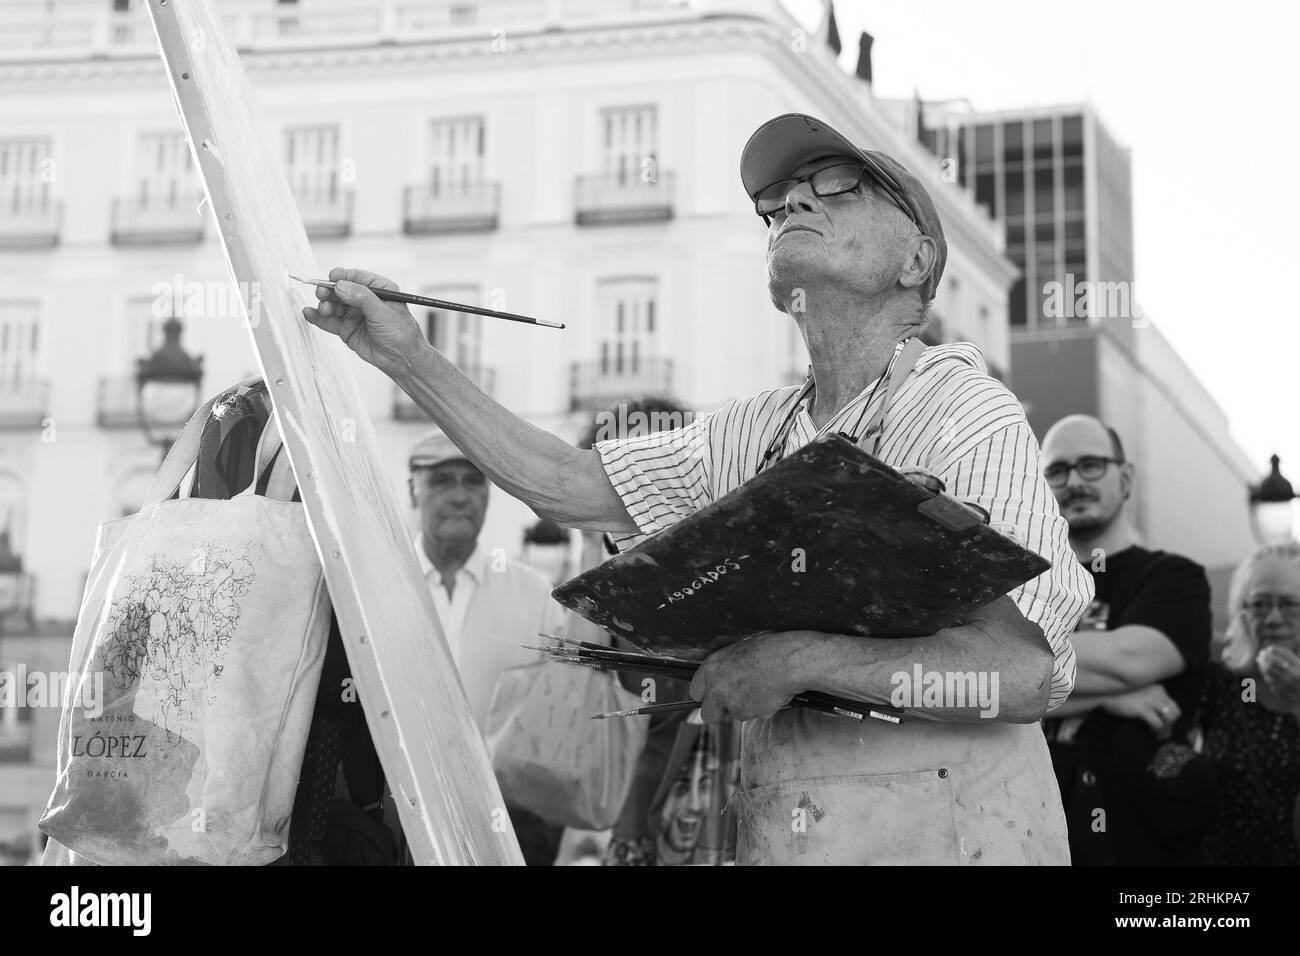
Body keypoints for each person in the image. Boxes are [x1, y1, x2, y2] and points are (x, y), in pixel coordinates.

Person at [302, 112, 1093, 864]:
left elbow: (1024, 674)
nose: (796, 201)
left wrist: (793, 660)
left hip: (964, 838)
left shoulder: (957, 402)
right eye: (779, 200)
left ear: (916, 261)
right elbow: (570, 484)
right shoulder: (756, 431)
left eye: (838, 182)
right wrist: (405, 356)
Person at [1038, 415, 1216, 864]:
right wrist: (1110, 698)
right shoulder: (1022, 589)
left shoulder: (1174, 578)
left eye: (1091, 465)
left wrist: (1029, 686)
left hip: (1148, 846)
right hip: (1032, 838)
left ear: (1126, 477)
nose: (1074, 481)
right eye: (1057, 471)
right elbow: (987, 684)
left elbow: (1127, 661)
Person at [406, 429, 567, 865]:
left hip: (508, 825)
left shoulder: (536, 596)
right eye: (442, 481)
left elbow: (561, 714)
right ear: (412, 489)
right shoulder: (381, 586)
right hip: (396, 818)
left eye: (473, 480)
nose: (460, 495)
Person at [1200, 542, 1300, 865]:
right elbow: (1169, 758)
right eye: (1258, 604)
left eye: (1289, 605)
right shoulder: (1220, 682)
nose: (1272, 618)